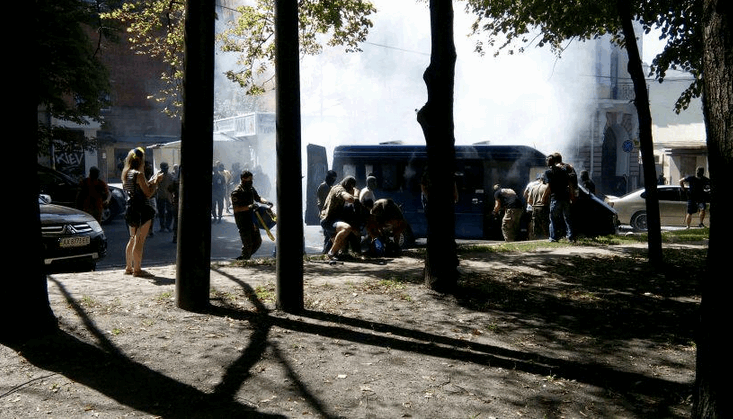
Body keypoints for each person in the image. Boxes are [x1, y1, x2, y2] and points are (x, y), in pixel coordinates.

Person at [122, 147, 164, 277]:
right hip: (142, 210)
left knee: (132, 238)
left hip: (130, 208)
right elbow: (148, 193)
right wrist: (156, 183)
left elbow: (137, 188)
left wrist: (150, 181)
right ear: (141, 161)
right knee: (140, 240)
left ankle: (129, 267)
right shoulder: (138, 174)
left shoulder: (127, 173)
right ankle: (137, 270)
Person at [231, 170, 272, 260]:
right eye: (249, 179)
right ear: (243, 179)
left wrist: (266, 202)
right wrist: (249, 207)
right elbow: (236, 209)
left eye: (251, 179)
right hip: (243, 220)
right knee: (248, 243)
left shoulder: (251, 188)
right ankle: (244, 258)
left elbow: (258, 198)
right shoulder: (237, 192)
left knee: (257, 242)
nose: (251, 181)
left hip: (253, 219)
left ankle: (245, 257)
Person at [320, 175, 360, 261]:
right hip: (328, 220)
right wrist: (355, 195)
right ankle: (331, 253)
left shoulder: (338, 187)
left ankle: (335, 253)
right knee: (346, 228)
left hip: (333, 220)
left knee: (340, 245)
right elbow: (349, 198)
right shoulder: (339, 189)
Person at [543, 152, 577, 242]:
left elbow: (548, 187)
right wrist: (572, 196)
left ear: (549, 162)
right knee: (568, 218)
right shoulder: (564, 170)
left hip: (555, 198)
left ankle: (553, 238)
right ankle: (570, 237)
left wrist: (544, 197)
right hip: (565, 197)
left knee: (553, 219)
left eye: (547, 160)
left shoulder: (548, 172)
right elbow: (570, 183)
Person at [317, 170, 338, 253]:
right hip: (325, 215)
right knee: (327, 234)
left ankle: (328, 250)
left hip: (331, 214)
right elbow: (319, 202)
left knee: (330, 233)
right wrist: (323, 213)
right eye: (332, 178)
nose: (333, 180)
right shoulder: (322, 187)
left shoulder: (332, 187)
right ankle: (326, 251)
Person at [524, 174, 549, 240]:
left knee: (534, 224)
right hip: (543, 207)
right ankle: (545, 238)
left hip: (534, 207)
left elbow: (528, 199)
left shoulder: (533, 187)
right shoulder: (546, 187)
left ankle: (533, 238)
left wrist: (534, 205)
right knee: (544, 224)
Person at [155, 162, 174, 232]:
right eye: (164, 168)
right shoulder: (158, 175)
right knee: (161, 212)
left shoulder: (170, 175)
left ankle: (168, 225)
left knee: (170, 211)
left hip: (169, 196)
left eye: (167, 168)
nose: (166, 170)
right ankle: (162, 226)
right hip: (160, 196)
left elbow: (172, 185)